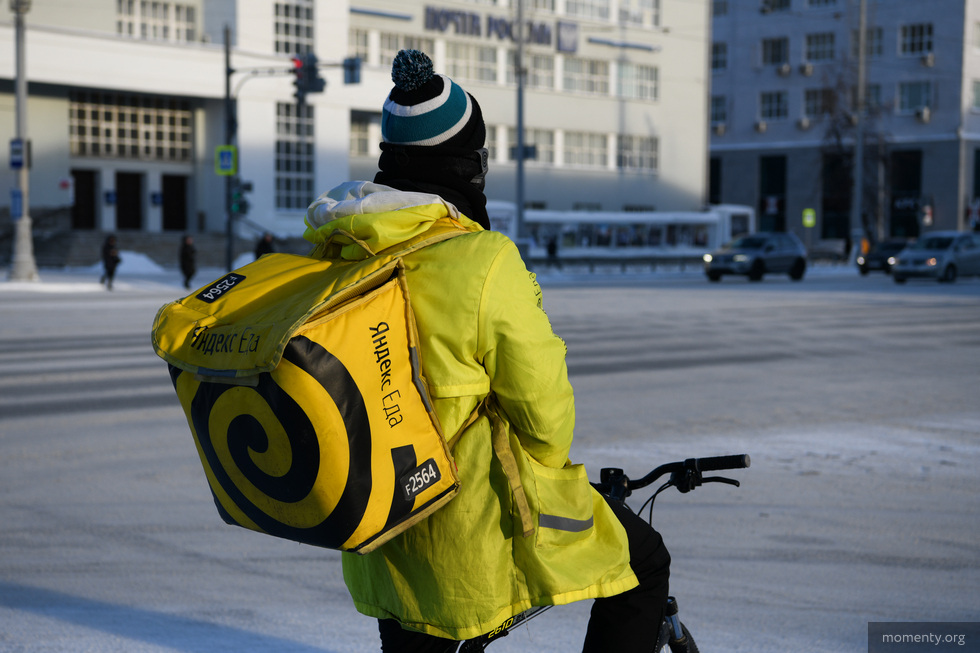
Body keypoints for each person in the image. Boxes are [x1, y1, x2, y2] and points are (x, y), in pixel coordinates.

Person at [303, 50, 671, 652]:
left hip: (380, 528)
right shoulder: (482, 260)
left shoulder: (338, 249)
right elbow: (545, 415)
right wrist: (551, 468)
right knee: (643, 566)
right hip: (470, 528)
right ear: (463, 163)